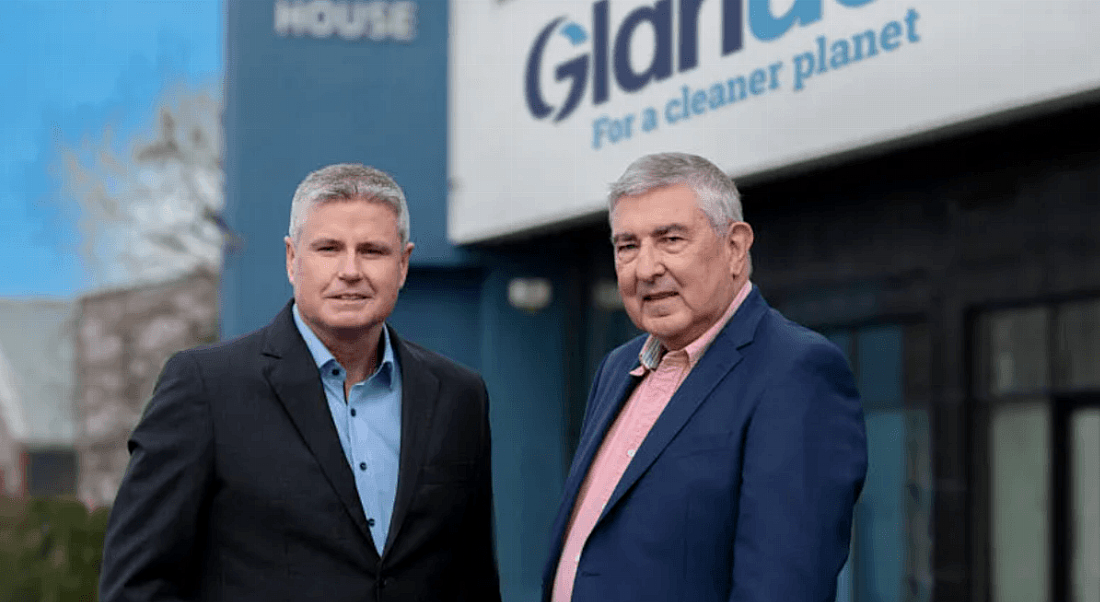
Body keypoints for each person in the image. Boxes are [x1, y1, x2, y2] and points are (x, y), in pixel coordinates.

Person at [100, 163, 501, 602]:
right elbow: (136, 585)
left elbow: (473, 580)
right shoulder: (205, 388)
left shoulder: (459, 396)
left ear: (403, 265)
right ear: (293, 260)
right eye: (328, 248)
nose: (350, 270)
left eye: (372, 251)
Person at [543, 152, 867, 602]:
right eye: (627, 246)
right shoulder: (618, 368)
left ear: (735, 247)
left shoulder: (796, 372)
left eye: (671, 239)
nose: (646, 268)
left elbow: (783, 589)